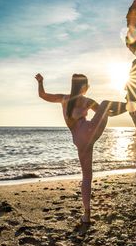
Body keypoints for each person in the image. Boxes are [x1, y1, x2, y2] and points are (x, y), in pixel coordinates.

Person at [35, 73, 131, 224]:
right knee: (105, 104)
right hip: (89, 131)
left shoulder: (63, 98)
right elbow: (108, 114)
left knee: (86, 177)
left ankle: (86, 215)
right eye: (87, 85)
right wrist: (127, 108)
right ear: (84, 86)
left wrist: (40, 82)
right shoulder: (86, 101)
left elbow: (43, 95)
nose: (89, 87)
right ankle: (134, 106)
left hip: (78, 140)